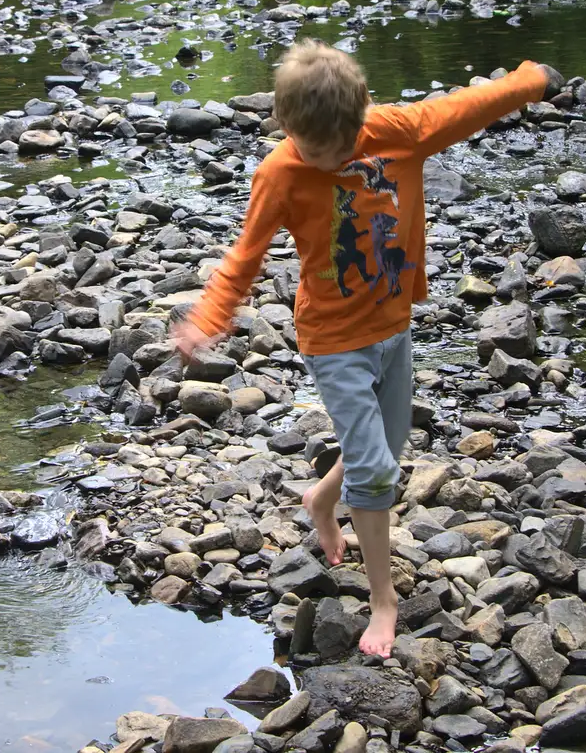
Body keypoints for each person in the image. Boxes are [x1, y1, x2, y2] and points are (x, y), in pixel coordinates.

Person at [172, 41, 550, 657]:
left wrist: (529, 78)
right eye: (311, 150)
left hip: (393, 326)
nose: (325, 161)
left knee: (386, 444)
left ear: (362, 115)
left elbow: (464, 107)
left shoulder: (394, 130)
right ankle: (383, 600)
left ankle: (321, 497)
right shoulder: (279, 172)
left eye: (338, 150)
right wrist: (209, 317)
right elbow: (246, 254)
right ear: (286, 125)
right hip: (333, 340)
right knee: (376, 468)